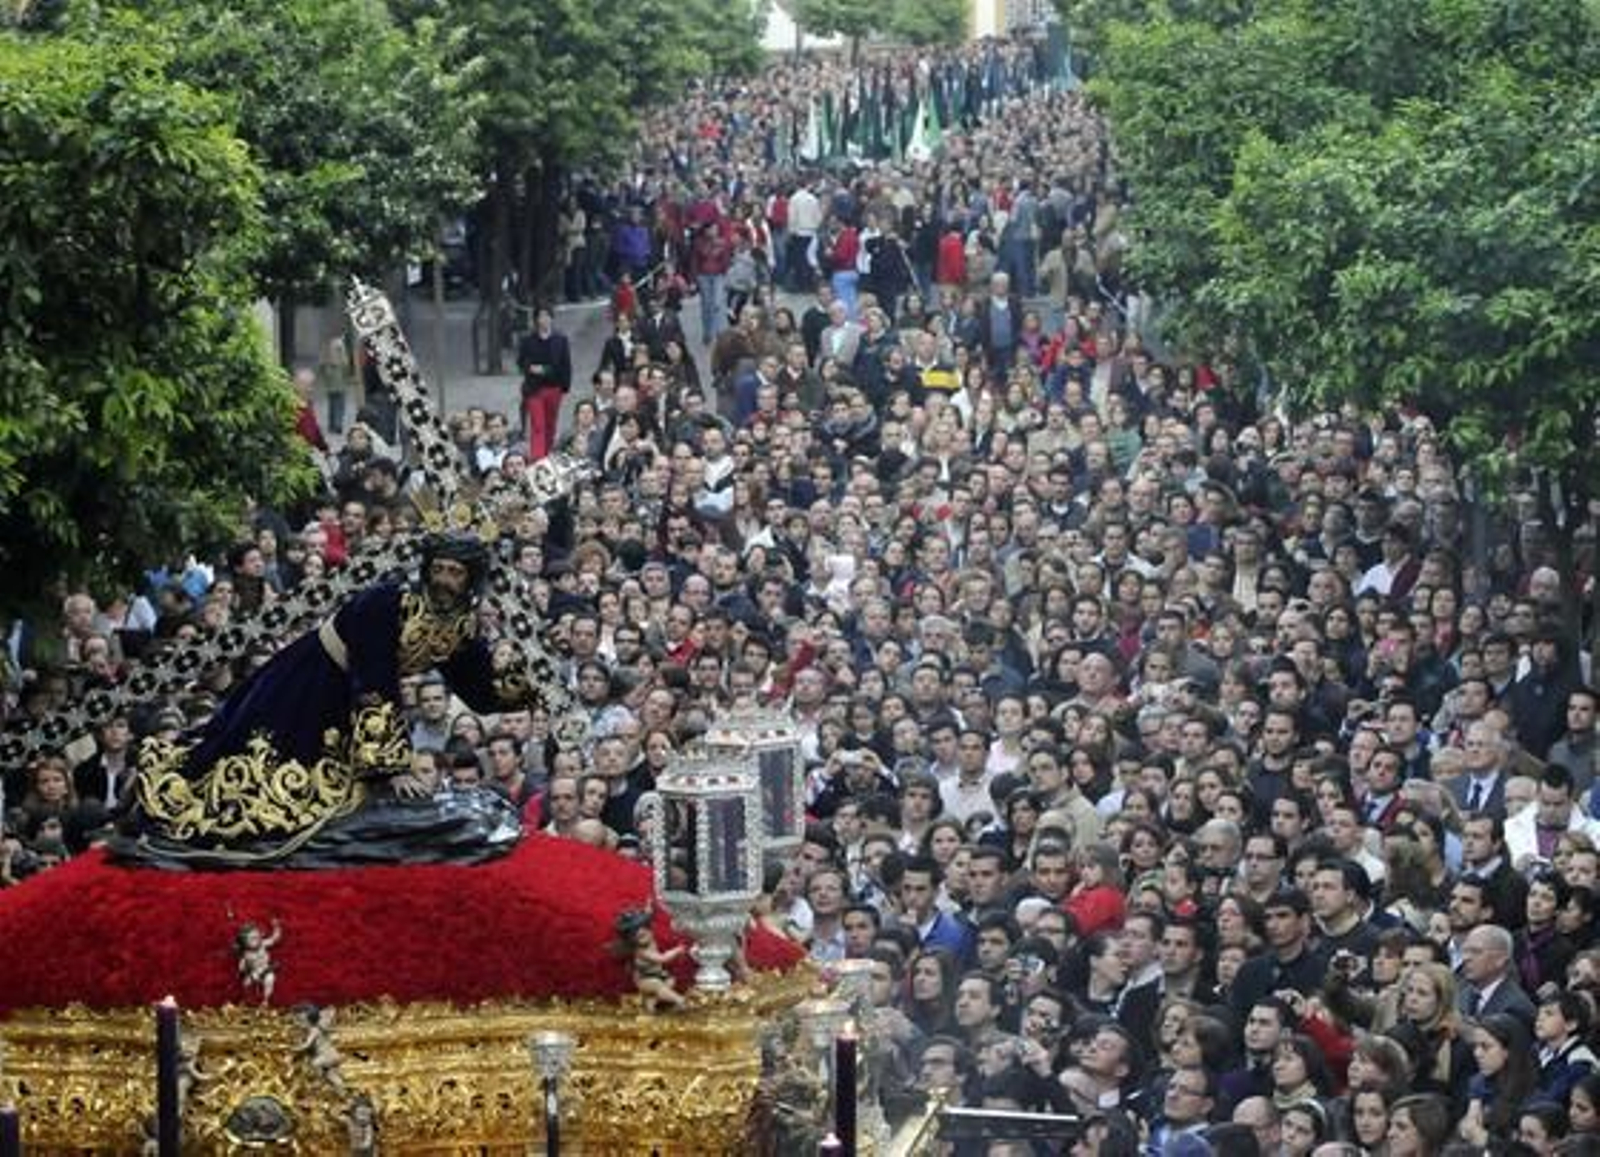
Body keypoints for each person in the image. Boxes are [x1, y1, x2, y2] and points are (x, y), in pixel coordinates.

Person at [121, 535, 532, 866]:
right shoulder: (387, 603)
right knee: (251, 765)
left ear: (470, 580)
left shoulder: (460, 626)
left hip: (349, 699)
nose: (443, 579)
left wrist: (518, 680)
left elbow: (479, 692)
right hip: (309, 680)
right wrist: (390, 770)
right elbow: (374, 683)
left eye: (454, 573)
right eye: (438, 569)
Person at [516, 306, 573, 459]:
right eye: (540, 317)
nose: (543, 320)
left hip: (554, 388)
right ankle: (537, 459)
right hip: (534, 389)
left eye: (546, 316)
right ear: (536, 320)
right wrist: (531, 368)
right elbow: (521, 362)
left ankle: (547, 456)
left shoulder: (561, 340)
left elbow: (565, 364)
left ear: (552, 319)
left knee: (550, 425)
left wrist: (564, 386)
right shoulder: (528, 340)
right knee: (538, 426)